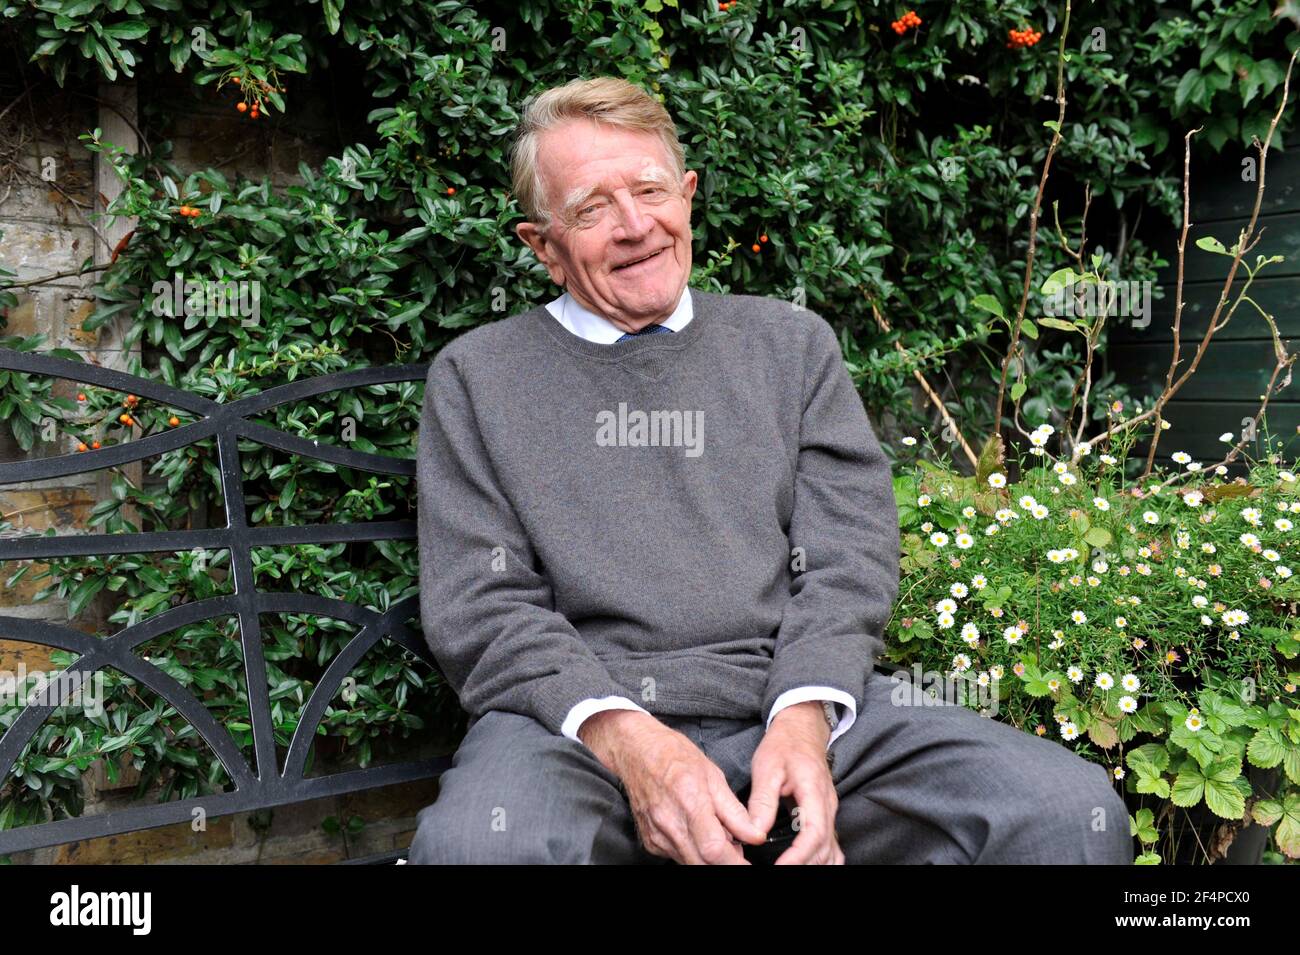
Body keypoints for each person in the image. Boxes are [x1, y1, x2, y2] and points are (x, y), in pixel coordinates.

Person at [407, 75, 1134, 865]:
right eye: (590, 208)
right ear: (542, 245)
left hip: (792, 700)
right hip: (577, 729)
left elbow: (845, 562)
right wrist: (634, 744)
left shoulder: (791, 346)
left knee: (1066, 812)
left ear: (687, 195)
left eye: (651, 190)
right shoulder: (477, 377)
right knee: (478, 848)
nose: (634, 225)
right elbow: (484, 609)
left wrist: (804, 718)